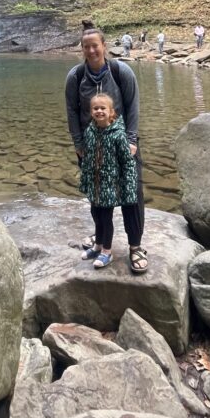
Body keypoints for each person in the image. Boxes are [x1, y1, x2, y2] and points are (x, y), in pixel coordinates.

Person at [65, 22, 148, 273]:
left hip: (123, 145)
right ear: (82, 49)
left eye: (95, 46)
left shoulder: (120, 71)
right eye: (86, 47)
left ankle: (135, 247)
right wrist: (78, 144)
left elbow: (133, 106)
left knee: (131, 196)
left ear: (104, 46)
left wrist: (132, 140)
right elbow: (71, 112)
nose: (91, 51)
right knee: (98, 198)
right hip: (91, 149)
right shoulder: (76, 77)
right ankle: (102, 242)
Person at [78, 93, 138, 269]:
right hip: (94, 185)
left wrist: (128, 184)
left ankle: (107, 252)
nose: (99, 111)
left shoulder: (118, 135)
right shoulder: (90, 131)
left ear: (111, 112)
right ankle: (97, 246)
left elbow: (127, 162)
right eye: (95, 108)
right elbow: (88, 159)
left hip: (109, 186)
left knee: (106, 218)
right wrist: (85, 180)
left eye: (103, 108)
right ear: (91, 112)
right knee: (96, 216)